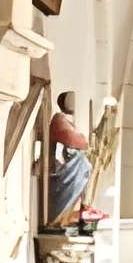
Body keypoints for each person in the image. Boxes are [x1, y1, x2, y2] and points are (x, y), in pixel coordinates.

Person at [45, 91, 96, 232]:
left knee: (84, 165)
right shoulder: (59, 119)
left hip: (66, 166)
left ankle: (69, 218)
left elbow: (79, 141)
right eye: (71, 100)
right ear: (64, 103)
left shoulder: (68, 121)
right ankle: (59, 219)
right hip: (61, 171)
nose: (74, 103)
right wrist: (82, 140)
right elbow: (70, 139)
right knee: (82, 164)